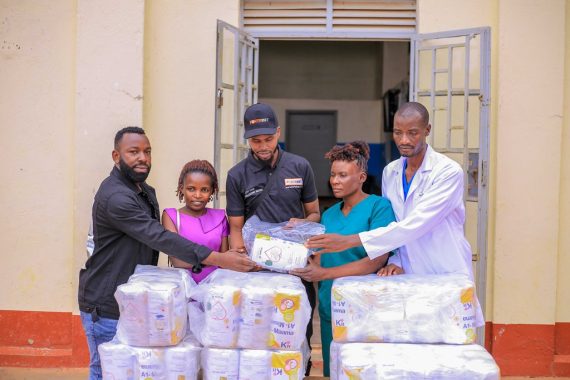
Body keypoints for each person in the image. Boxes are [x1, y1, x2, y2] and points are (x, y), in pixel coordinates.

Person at [78, 127, 254, 380]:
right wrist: (218, 258)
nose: (143, 158)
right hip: (106, 302)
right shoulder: (116, 197)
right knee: (107, 371)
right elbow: (159, 237)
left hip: (136, 296)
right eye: (133, 152)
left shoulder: (143, 191)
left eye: (147, 152)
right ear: (116, 156)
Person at [306, 102, 484, 323]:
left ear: (427, 131)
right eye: (398, 132)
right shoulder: (391, 171)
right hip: (406, 275)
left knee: (447, 342)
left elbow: (417, 224)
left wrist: (351, 240)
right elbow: (396, 221)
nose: (404, 140)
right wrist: (397, 259)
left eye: (412, 133)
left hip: (443, 269)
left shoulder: (447, 172)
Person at [225, 103, 320, 374]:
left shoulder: (300, 166)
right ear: (247, 139)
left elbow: (314, 213)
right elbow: (235, 226)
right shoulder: (237, 175)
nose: (263, 146)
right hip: (258, 269)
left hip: (294, 267)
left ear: (278, 133)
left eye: (268, 139)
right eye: (256, 141)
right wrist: (242, 258)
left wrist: (302, 224)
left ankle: (299, 370)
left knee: (297, 325)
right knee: (260, 327)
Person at [291, 141, 396, 376]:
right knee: (333, 371)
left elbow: (376, 261)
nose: (335, 181)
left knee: (363, 370)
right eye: (332, 175)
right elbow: (321, 259)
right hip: (331, 306)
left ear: (361, 177)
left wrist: (324, 274)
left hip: (364, 310)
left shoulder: (379, 208)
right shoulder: (329, 215)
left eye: (342, 175)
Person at [162, 160, 229, 283]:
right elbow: (176, 260)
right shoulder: (171, 216)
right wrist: (217, 260)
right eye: (191, 189)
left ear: (212, 191)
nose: (197, 195)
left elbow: (225, 263)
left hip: (213, 290)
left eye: (204, 190)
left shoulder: (220, 217)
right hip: (183, 290)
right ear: (182, 189)